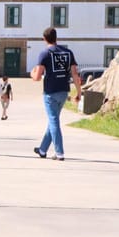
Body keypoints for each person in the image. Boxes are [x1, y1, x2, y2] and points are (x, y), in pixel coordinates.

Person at [31, 27, 82, 161]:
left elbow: (37, 77)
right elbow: (75, 74)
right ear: (56, 38)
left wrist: (32, 72)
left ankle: (59, 152)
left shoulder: (45, 53)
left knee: (53, 121)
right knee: (53, 120)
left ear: (44, 39)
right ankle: (42, 150)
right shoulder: (68, 53)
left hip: (50, 92)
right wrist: (78, 92)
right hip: (64, 91)